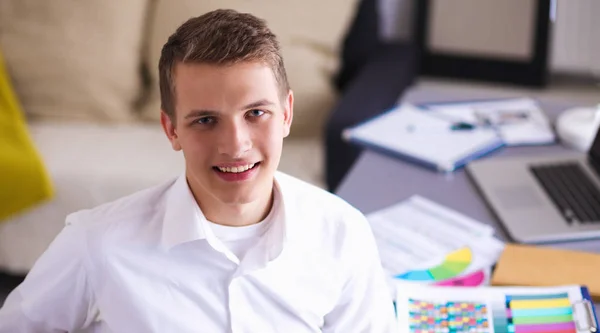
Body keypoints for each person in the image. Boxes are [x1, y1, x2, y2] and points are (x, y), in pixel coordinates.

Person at [0, 9, 397, 332]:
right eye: (206, 120)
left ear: (287, 114)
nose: (235, 144)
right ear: (172, 130)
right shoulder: (96, 245)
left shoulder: (343, 233)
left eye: (256, 113)